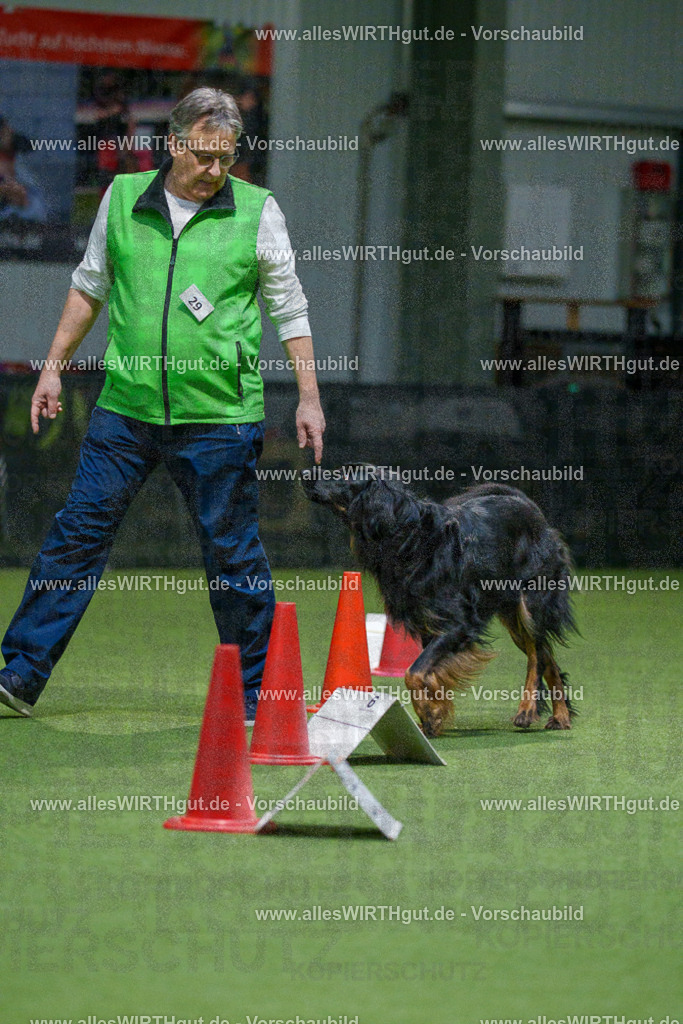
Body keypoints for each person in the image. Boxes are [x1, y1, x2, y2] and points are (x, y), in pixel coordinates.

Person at [0, 88, 325, 720]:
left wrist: (309, 396)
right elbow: (88, 287)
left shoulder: (259, 211)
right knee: (76, 536)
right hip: (125, 409)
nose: (216, 170)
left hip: (221, 418)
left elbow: (290, 307)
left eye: (227, 158)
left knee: (232, 553)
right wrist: (53, 368)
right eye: (204, 156)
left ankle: (259, 695)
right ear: (173, 145)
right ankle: (20, 672)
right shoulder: (121, 199)